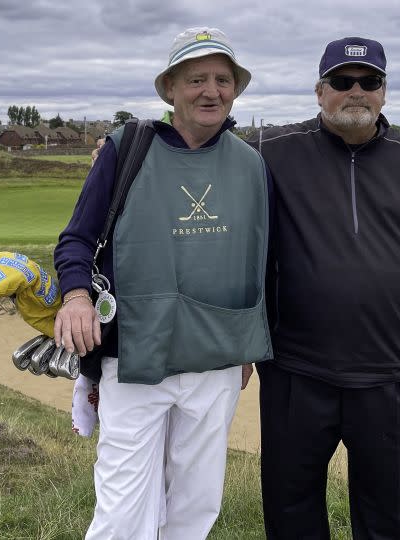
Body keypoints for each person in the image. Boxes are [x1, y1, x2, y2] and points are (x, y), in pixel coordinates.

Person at [249, 37, 400, 539]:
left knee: (391, 515)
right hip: (295, 371)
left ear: (383, 92)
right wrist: (131, 144)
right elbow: (199, 151)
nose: (355, 91)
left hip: (388, 375)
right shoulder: (270, 152)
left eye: (369, 81)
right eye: (342, 82)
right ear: (320, 92)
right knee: (291, 512)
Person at [54, 27, 272, 539]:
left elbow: (259, 260)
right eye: (196, 78)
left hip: (217, 355)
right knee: (123, 508)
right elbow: (76, 240)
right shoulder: (125, 149)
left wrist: (248, 345)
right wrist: (77, 295)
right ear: (169, 88)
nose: (211, 91)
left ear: (236, 91)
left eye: (223, 79)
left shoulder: (251, 164)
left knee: (196, 506)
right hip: (136, 353)